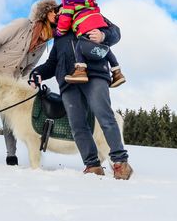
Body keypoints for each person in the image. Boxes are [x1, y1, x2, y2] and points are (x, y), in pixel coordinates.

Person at [29, 16, 133, 180]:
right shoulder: (60, 35)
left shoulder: (89, 15)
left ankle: (120, 162)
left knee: (104, 115)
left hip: (95, 75)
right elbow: (52, 63)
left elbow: (115, 32)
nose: (62, 13)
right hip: (68, 83)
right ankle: (92, 165)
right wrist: (37, 73)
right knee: (77, 125)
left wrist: (103, 35)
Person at [0, 0, 59, 166]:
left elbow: (30, 67)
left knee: (10, 114)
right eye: (54, 11)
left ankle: (10, 156)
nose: (58, 14)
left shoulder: (43, 43)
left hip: (11, 81)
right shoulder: (23, 25)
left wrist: (26, 83)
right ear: (44, 14)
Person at [56, 0, 125, 88]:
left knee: (79, 47)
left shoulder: (69, 4)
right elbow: (96, 10)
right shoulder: (87, 1)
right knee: (105, 49)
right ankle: (117, 73)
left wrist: (60, 31)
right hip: (98, 23)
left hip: (87, 29)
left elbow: (65, 20)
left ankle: (80, 71)